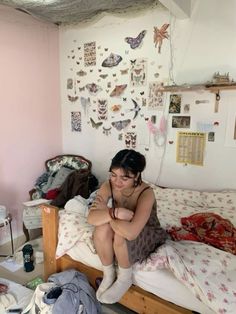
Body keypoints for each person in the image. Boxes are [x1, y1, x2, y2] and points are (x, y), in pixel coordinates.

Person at [87, 149, 167, 304]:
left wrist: (108, 215)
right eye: (113, 175)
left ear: (136, 175)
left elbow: (131, 233)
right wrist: (115, 213)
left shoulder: (146, 193)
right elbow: (91, 217)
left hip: (146, 230)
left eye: (125, 178)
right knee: (101, 228)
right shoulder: (108, 185)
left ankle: (125, 278)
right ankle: (109, 274)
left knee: (119, 233)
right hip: (122, 221)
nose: (117, 182)